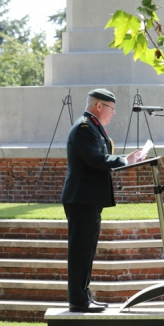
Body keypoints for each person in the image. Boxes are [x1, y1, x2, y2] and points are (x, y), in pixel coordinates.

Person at [61, 89, 140, 313]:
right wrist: (124, 160)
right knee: (81, 251)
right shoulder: (85, 127)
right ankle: (78, 300)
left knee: (86, 250)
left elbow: (99, 157)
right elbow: (95, 159)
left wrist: (125, 159)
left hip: (88, 198)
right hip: (82, 198)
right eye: (111, 108)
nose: (113, 113)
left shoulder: (93, 126)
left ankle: (83, 296)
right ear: (99, 106)